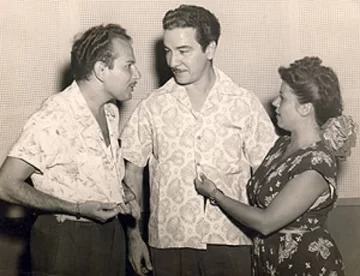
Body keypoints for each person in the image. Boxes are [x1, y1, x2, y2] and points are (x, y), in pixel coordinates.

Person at [121, 5, 277, 276]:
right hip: (169, 243)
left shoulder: (244, 104)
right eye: (167, 51)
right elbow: (132, 172)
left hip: (232, 241)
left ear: (210, 49)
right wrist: (134, 239)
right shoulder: (152, 107)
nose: (172, 62)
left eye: (183, 51)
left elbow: (268, 173)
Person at [0, 23, 141, 276]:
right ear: (101, 70)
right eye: (128, 65)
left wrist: (125, 194)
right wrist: (75, 208)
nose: (137, 74)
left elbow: (95, 173)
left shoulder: (110, 110)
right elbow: (6, 184)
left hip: (111, 234)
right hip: (66, 239)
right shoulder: (55, 115)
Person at [195, 56, 357, 275]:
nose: (274, 103)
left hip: (306, 266)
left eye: (283, 98)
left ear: (305, 108)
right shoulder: (282, 145)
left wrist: (216, 194)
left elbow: (266, 222)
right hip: (269, 260)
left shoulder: (317, 163)